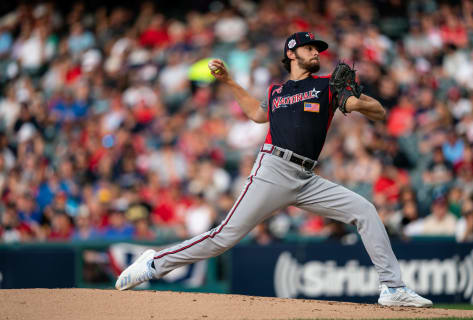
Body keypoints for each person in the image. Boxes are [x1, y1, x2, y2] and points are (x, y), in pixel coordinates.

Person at [115, 32, 432, 307]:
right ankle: (155, 263)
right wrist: (228, 81)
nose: (316, 53)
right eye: (309, 49)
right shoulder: (276, 92)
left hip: (307, 178)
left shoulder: (327, 87)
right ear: (291, 54)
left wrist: (356, 98)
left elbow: (378, 112)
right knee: (224, 237)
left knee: (364, 210)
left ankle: (393, 288)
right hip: (273, 169)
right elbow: (256, 113)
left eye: (317, 50)